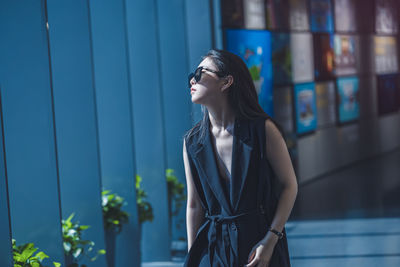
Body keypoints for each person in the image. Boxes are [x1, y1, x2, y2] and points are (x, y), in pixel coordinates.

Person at [183, 49, 297, 267]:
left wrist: (270, 240)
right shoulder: (192, 142)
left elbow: (289, 186)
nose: (192, 80)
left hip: (259, 243)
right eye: (192, 75)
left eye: (200, 74)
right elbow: (195, 205)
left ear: (226, 82)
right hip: (214, 246)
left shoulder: (263, 130)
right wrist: (193, 257)